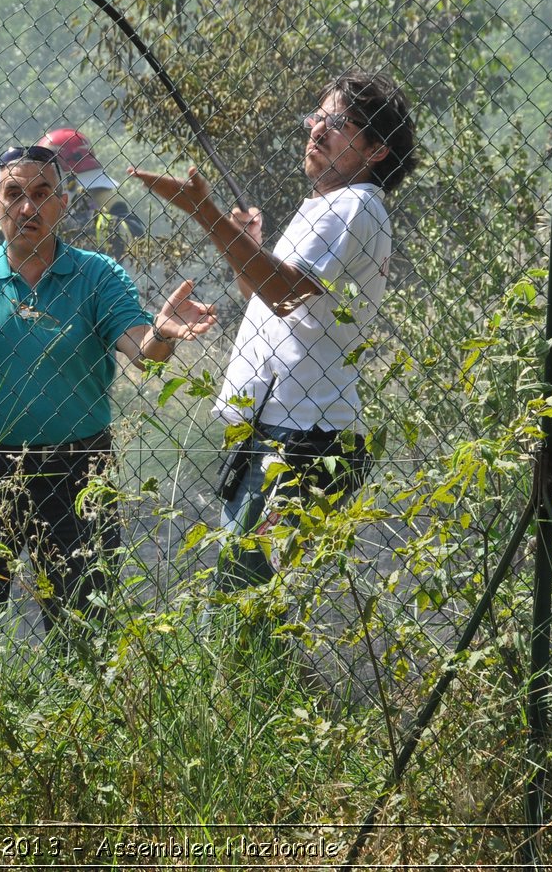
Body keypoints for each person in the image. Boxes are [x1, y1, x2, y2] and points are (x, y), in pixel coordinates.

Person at [0, 143, 217, 643]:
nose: (27, 208)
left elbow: (142, 352)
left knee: (84, 635)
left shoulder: (98, 276)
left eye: (41, 194)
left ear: (63, 204)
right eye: (14, 194)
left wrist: (160, 333)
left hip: (78, 472)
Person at [129, 70, 418, 586]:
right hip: (291, 430)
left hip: (299, 437)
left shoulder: (348, 205)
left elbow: (283, 292)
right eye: (318, 117)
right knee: (254, 601)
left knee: (245, 601)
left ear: (376, 151)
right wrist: (249, 248)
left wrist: (206, 214)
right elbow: (273, 300)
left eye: (339, 123)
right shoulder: (340, 207)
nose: (318, 130)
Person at [37, 127, 147, 257]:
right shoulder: (75, 225)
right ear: (61, 181)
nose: (89, 198)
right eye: (87, 191)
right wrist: (113, 202)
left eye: (92, 192)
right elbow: (135, 233)